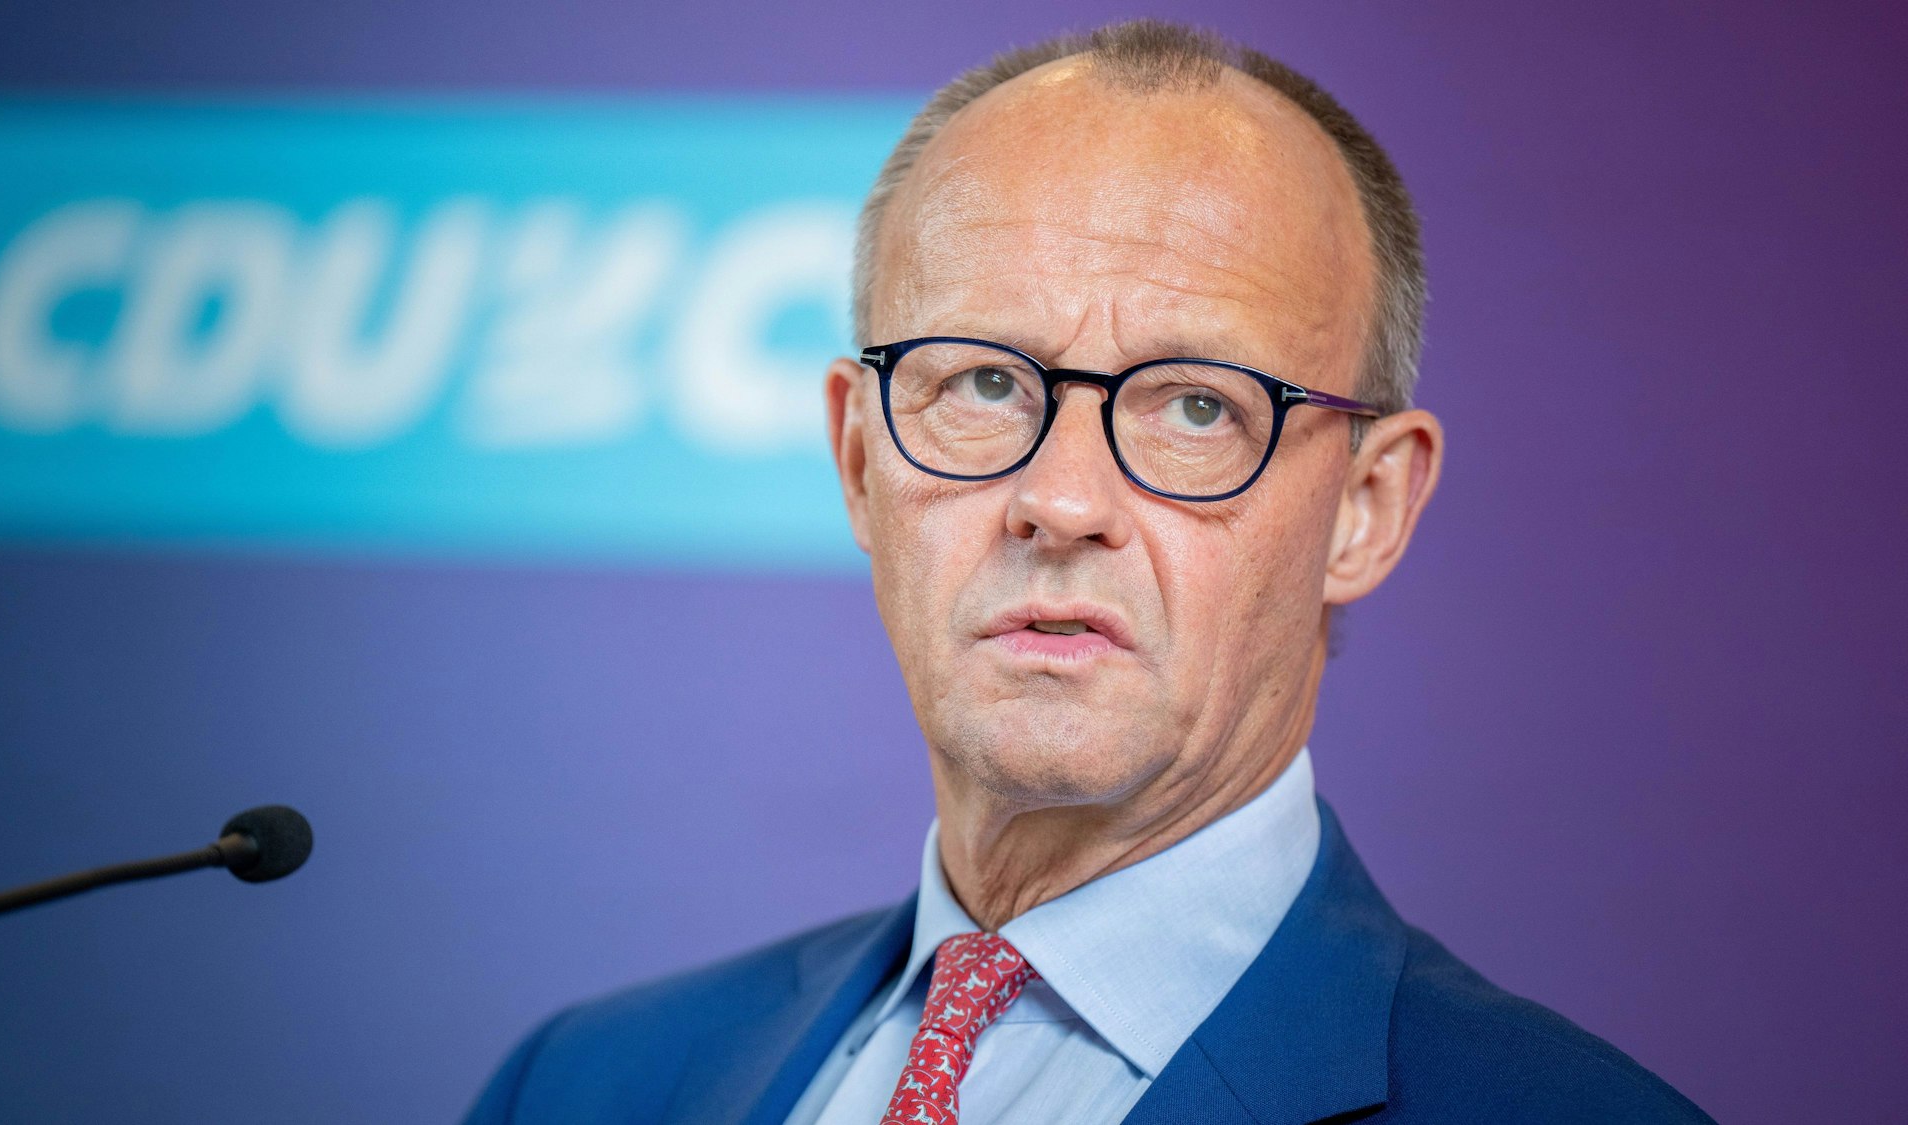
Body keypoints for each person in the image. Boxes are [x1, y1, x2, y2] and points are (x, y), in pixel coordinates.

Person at [465, 20, 1714, 1125]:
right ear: (856, 459)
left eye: (1193, 408)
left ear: (1364, 508)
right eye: (984, 384)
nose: (1059, 502)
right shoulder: (584, 1085)